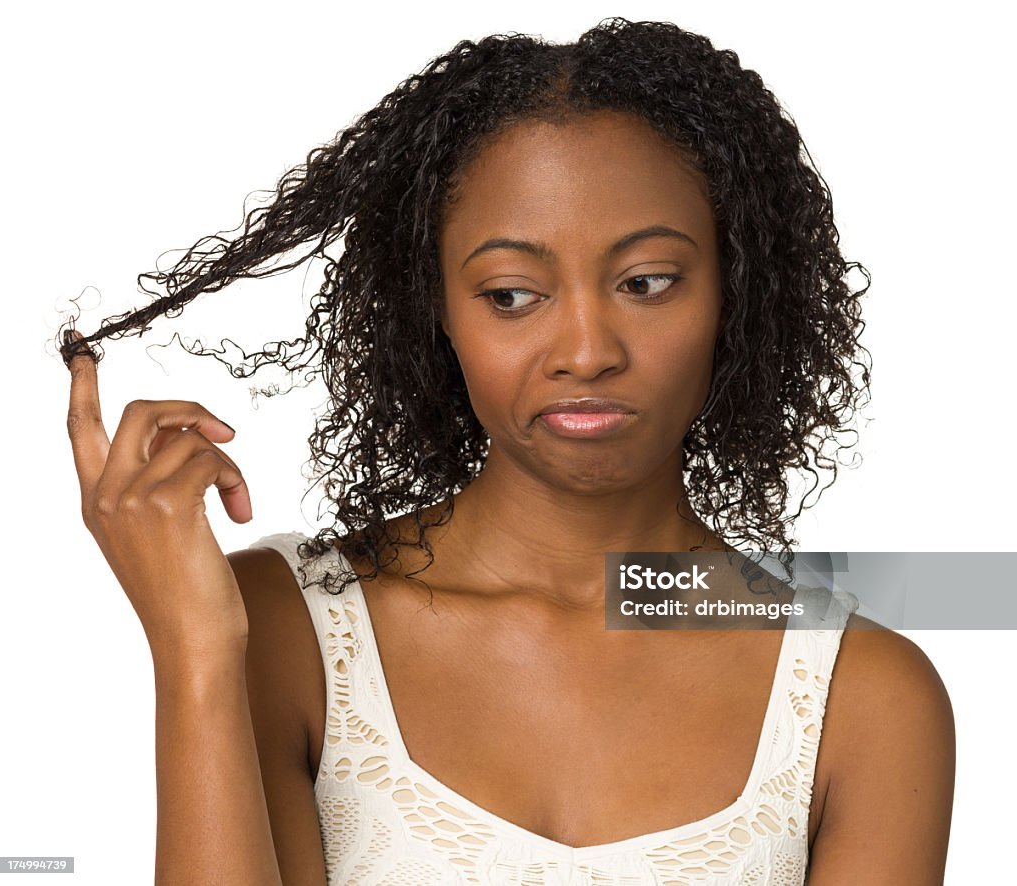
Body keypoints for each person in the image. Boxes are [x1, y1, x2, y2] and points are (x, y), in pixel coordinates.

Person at [60, 18, 955, 885]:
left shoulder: (865, 698)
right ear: (434, 312)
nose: (587, 349)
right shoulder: (285, 631)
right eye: (512, 295)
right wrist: (194, 649)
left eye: (647, 283)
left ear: (738, 293)